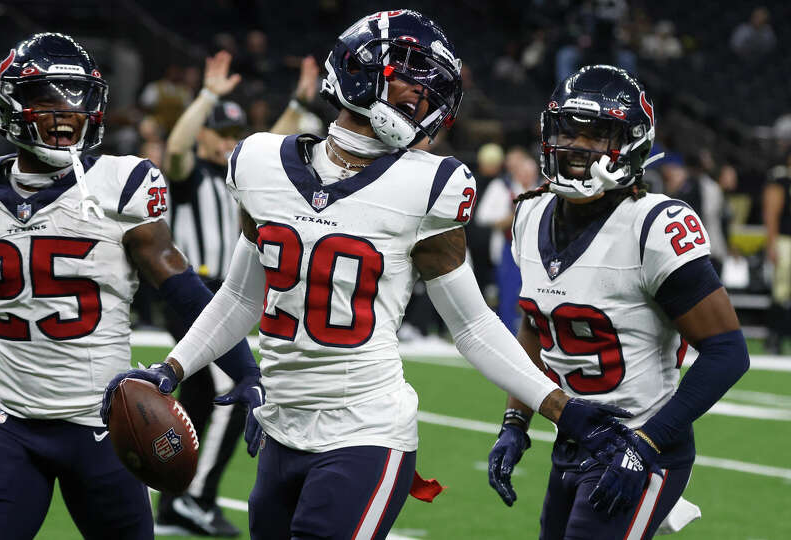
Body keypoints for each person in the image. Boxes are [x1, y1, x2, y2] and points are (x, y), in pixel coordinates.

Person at [105, 11, 644, 539]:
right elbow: (241, 298)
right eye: (411, 74)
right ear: (359, 65)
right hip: (280, 431)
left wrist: (562, 409)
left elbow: (473, 326)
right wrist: (171, 372)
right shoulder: (260, 163)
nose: (423, 95)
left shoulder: (429, 185)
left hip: (366, 432)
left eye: (433, 87)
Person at [0, 33, 259, 540]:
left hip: (106, 428)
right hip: (9, 423)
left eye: (79, 100)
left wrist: (243, 369)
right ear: (12, 104)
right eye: (49, 100)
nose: (68, 115)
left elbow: (180, 287)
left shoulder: (121, 184)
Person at [486, 65, 749, 540]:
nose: (577, 146)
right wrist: (515, 421)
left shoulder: (653, 226)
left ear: (631, 144)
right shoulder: (529, 212)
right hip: (574, 437)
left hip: (645, 442)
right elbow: (533, 325)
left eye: (598, 134)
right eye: (569, 130)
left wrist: (646, 443)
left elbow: (728, 351)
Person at [153, 49, 319, 537]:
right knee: (231, 389)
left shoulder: (242, 173)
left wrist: (297, 102)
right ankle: (193, 498)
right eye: (220, 133)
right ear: (205, 129)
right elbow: (176, 149)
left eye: (233, 135)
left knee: (204, 399)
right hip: (194, 292)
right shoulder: (188, 176)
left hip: (227, 294)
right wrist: (205, 96)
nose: (228, 142)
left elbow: (270, 140)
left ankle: (173, 493)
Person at [475, 147, 540, 331]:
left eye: (531, 173)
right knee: (508, 295)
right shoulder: (503, 187)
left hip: (536, 250)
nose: (528, 177)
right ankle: (508, 334)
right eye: (524, 173)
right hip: (509, 247)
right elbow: (483, 217)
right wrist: (508, 218)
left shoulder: (542, 189)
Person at [763, 152, 791, 354]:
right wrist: (772, 244)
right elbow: (771, 213)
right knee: (780, 291)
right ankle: (773, 337)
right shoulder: (781, 180)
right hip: (784, 240)